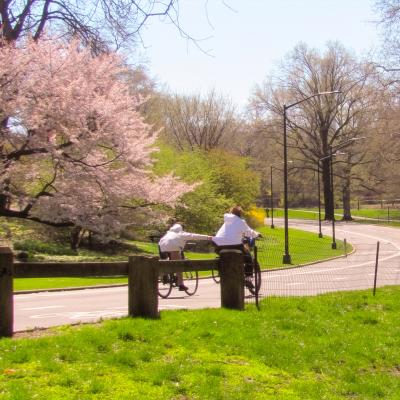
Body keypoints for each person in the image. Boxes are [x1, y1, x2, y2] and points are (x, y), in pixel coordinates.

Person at [212, 205, 262, 289]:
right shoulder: (240, 221)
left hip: (219, 245)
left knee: (224, 255)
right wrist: (257, 234)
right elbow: (248, 232)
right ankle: (248, 279)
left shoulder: (226, 222)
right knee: (248, 258)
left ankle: (222, 272)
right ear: (240, 214)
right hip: (234, 244)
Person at [158, 223, 213, 291]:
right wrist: (208, 237)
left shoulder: (168, 233)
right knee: (178, 265)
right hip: (174, 247)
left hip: (161, 245)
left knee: (164, 261)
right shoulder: (181, 233)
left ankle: (164, 274)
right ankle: (181, 284)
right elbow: (194, 236)